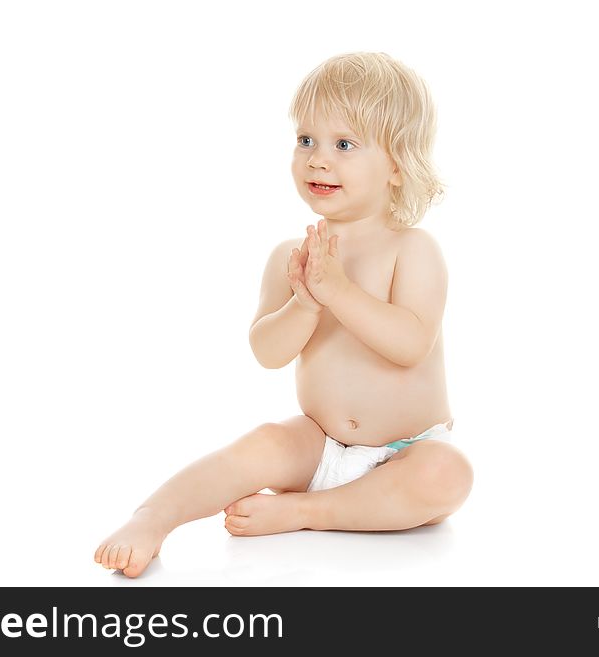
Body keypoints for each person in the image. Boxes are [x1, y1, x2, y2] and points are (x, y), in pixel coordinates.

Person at [95, 51, 473, 578]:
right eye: (306, 141)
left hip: (404, 452)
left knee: (447, 475)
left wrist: (338, 291)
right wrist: (305, 302)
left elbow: (409, 345)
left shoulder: (412, 250)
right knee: (263, 444)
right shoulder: (290, 258)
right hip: (318, 443)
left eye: (344, 144)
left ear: (396, 163)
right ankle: (153, 517)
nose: (318, 159)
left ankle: (306, 512)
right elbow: (267, 352)